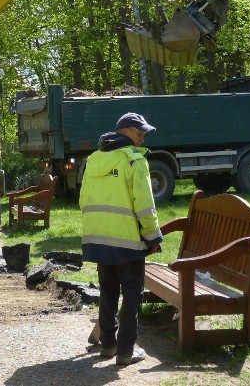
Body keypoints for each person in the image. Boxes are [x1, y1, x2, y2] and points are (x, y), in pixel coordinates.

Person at [80, 112, 163, 366]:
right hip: (128, 241)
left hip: (98, 239)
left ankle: (108, 346)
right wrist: (153, 237)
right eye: (139, 132)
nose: (142, 137)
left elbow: (84, 200)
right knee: (131, 295)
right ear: (125, 131)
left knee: (107, 292)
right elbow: (145, 206)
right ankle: (126, 352)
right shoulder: (134, 161)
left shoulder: (94, 160)